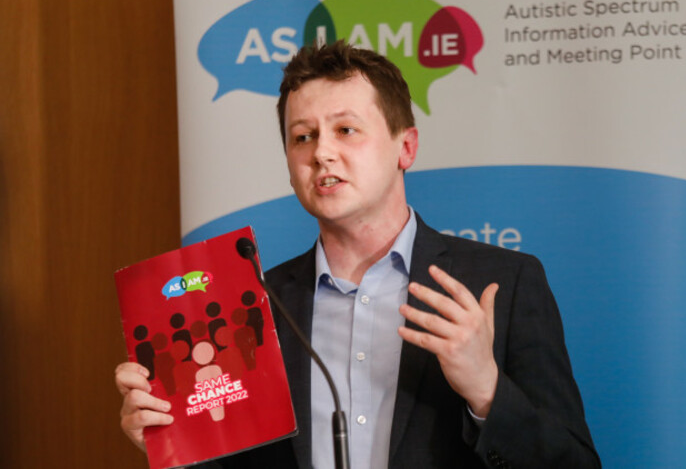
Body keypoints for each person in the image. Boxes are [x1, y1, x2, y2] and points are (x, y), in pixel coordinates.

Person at [116, 41, 600, 468]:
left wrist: (487, 391)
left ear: (405, 147)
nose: (322, 153)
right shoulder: (255, 308)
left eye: (345, 130)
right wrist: (173, 447)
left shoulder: (504, 283)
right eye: (302, 137)